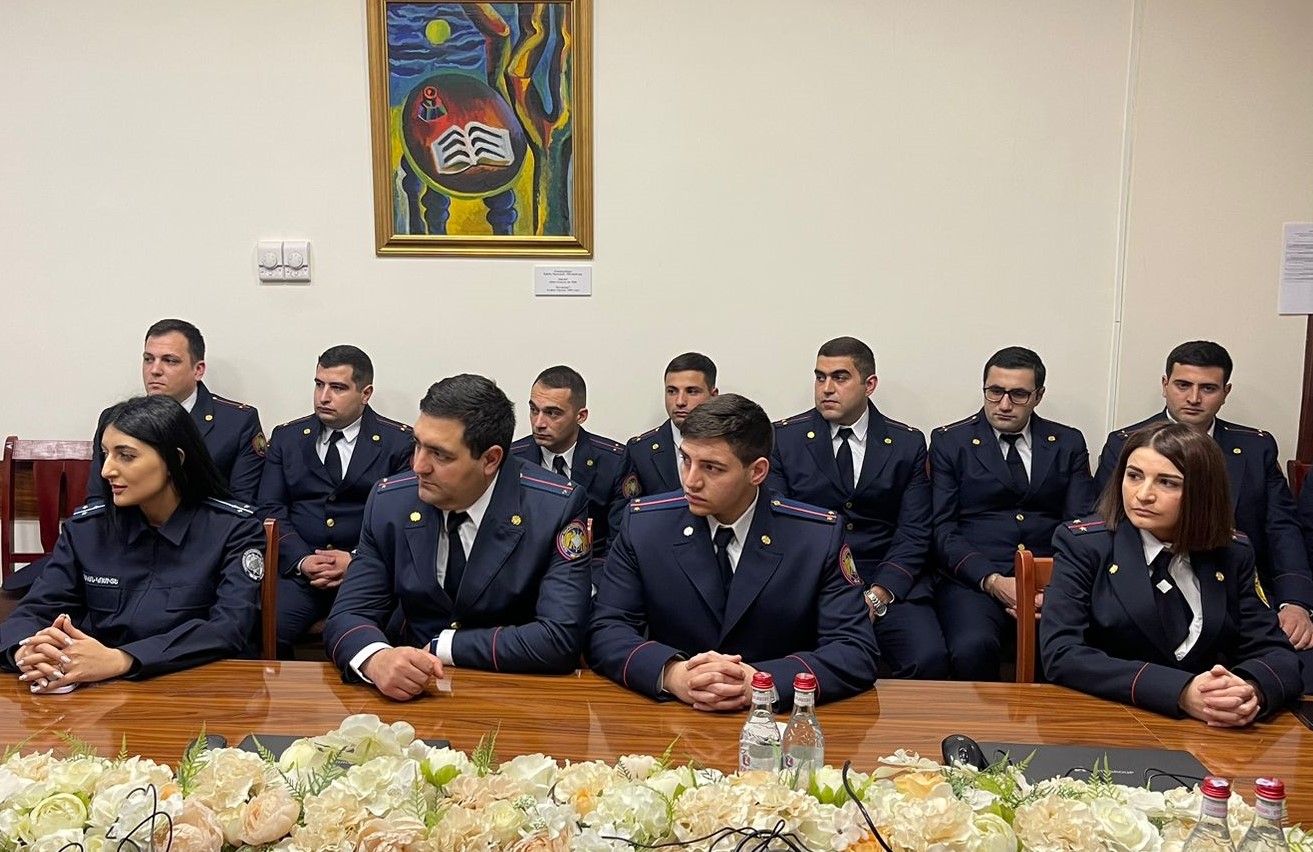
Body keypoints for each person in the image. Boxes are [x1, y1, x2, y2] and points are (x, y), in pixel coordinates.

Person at [588, 394, 879, 708]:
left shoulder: (815, 537)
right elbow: (607, 629)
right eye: (686, 460)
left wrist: (763, 683)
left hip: (777, 719)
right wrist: (672, 674)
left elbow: (855, 651)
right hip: (674, 713)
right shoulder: (645, 525)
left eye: (711, 468)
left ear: (757, 472)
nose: (690, 481)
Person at [322, 374, 592, 701]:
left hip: (514, 691)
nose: (419, 466)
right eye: (418, 445)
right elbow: (349, 613)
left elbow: (559, 637)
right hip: (414, 691)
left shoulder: (554, 507)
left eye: (440, 455)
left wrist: (445, 646)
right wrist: (376, 658)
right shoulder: (391, 501)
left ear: (490, 460)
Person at [1042, 422, 1303, 724]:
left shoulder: (1233, 552)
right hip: (1105, 720)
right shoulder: (1083, 545)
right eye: (1134, 476)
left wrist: (1248, 690)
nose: (1143, 495)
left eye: (1167, 483)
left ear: (1203, 492)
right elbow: (1061, 654)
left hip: (1208, 729)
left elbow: (1277, 654)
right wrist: (1180, 691)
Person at [0, 395, 265, 690]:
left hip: (199, 690)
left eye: (126, 455)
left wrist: (122, 659)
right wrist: (24, 651)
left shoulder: (234, 529)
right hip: (98, 695)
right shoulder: (87, 530)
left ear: (175, 460)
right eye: (105, 454)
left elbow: (229, 627)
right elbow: (36, 609)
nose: (106, 470)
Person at [4, 319, 267, 595]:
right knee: (33, 603)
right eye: (148, 359)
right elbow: (99, 498)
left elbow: (241, 506)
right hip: (125, 550)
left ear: (198, 369)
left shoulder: (236, 422)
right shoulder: (117, 421)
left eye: (170, 361)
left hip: (198, 557)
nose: (155, 370)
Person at [1094, 341, 1313, 670]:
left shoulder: (1255, 447)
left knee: (1299, 666)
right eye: (1183, 385)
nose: (1194, 398)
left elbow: (1281, 528)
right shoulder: (1128, 443)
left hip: (1240, 588)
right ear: (1165, 385)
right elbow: (1109, 522)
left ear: (1225, 392)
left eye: (1208, 388)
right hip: (1154, 585)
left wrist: (1296, 602)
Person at [766, 336, 949, 678]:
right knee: (786, 661)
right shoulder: (784, 438)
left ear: (870, 384)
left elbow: (914, 531)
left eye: (840, 377)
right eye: (820, 377)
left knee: (928, 658)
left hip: (887, 578)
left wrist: (879, 593)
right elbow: (780, 522)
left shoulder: (906, 443)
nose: (826, 388)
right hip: (812, 581)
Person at [930, 347, 1097, 679]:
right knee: (972, 647)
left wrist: (1053, 586)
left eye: (1018, 394)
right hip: (974, 579)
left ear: (1038, 396)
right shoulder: (951, 442)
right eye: (995, 391)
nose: (1004, 404)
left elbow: (1080, 525)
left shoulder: (1067, 442)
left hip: (1050, 581)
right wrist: (992, 581)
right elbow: (942, 529)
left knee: (1068, 648)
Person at [257, 345, 412, 658]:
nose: (323, 397)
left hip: (368, 573)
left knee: (378, 638)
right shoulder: (288, 437)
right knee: (264, 630)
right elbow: (270, 508)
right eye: (319, 385)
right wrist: (302, 560)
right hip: (301, 572)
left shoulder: (398, 442)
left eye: (337, 388)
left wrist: (356, 559)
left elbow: (402, 517)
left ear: (365, 393)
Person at [509, 366, 633, 566]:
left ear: (581, 416)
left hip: (590, 571)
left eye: (552, 413)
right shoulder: (511, 460)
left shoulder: (614, 462)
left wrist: (591, 582)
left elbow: (620, 542)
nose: (539, 423)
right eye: (534, 410)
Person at [624, 353, 719, 497]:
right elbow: (629, 507)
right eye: (672, 391)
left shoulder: (734, 444)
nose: (680, 401)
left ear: (713, 396)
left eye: (692, 391)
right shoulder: (640, 451)